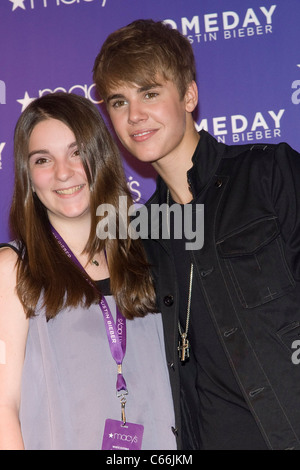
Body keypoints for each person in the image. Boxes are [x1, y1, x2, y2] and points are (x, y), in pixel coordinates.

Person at [93, 19, 300, 450]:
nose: (134, 116)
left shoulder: (268, 173)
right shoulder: (141, 233)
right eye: (118, 101)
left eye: (149, 93)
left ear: (189, 95)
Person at [0, 91, 177, 450]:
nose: (63, 173)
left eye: (77, 152)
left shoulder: (149, 256)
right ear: (28, 176)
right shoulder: (13, 269)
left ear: (100, 157)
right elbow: (3, 405)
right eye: (43, 159)